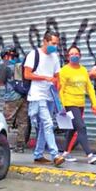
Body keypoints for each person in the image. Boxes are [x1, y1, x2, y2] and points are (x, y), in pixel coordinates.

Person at [24, 32, 65, 167]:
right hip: (37, 95)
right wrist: (45, 78)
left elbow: (57, 76)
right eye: (53, 44)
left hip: (51, 95)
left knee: (43, 126)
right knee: (48, 124)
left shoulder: (55, 57)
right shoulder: (33, 55)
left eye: (56, 44)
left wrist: (58, 90)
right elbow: (27, 74)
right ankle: (55, 155)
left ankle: (38, 154)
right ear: (45, 41)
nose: (55, 46)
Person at [58, 46, 96, 164]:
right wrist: (61, 104)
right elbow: (60, 89)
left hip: (80, 103)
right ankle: (89, 155)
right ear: (68, 56)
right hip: (69, 103)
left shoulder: (83, 70)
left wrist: (94, 103)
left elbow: (89, 88)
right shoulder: (64, 71)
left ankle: (65, 152)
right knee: (81, 127)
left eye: (76, 54)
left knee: (73, 129)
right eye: (71, 54)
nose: (74, 56)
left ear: (80, 56)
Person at [0, 47, 29, 153]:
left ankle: (4, 145)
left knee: (6, 122)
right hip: (24, 96)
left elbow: (1, 81)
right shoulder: (23, 64)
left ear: (6, 56)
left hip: (11, 98)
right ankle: (20, 146)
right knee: (22, 122)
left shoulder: (5, 65)